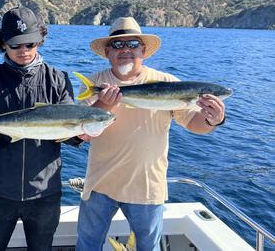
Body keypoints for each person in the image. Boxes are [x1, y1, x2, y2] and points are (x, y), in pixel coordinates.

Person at [75, 17, 227, 251]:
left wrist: (213, 119)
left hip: (147, 187)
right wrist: (105, 106)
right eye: (117, 44)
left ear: (143, 50)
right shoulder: (96, 82)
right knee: (87, 246)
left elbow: (194, 124)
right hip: (99, 184)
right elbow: (81, 132)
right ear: (107, 52)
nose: (125, 49)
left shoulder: (168, 82)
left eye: (133, 44)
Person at [0, 6, 82, 251]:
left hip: (45, 192)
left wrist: (81, 132)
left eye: (30, 44)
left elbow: (69, 128)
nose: (24, 51)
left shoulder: (58, 79)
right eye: (16, 45)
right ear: (3, 44)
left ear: (40, 40)